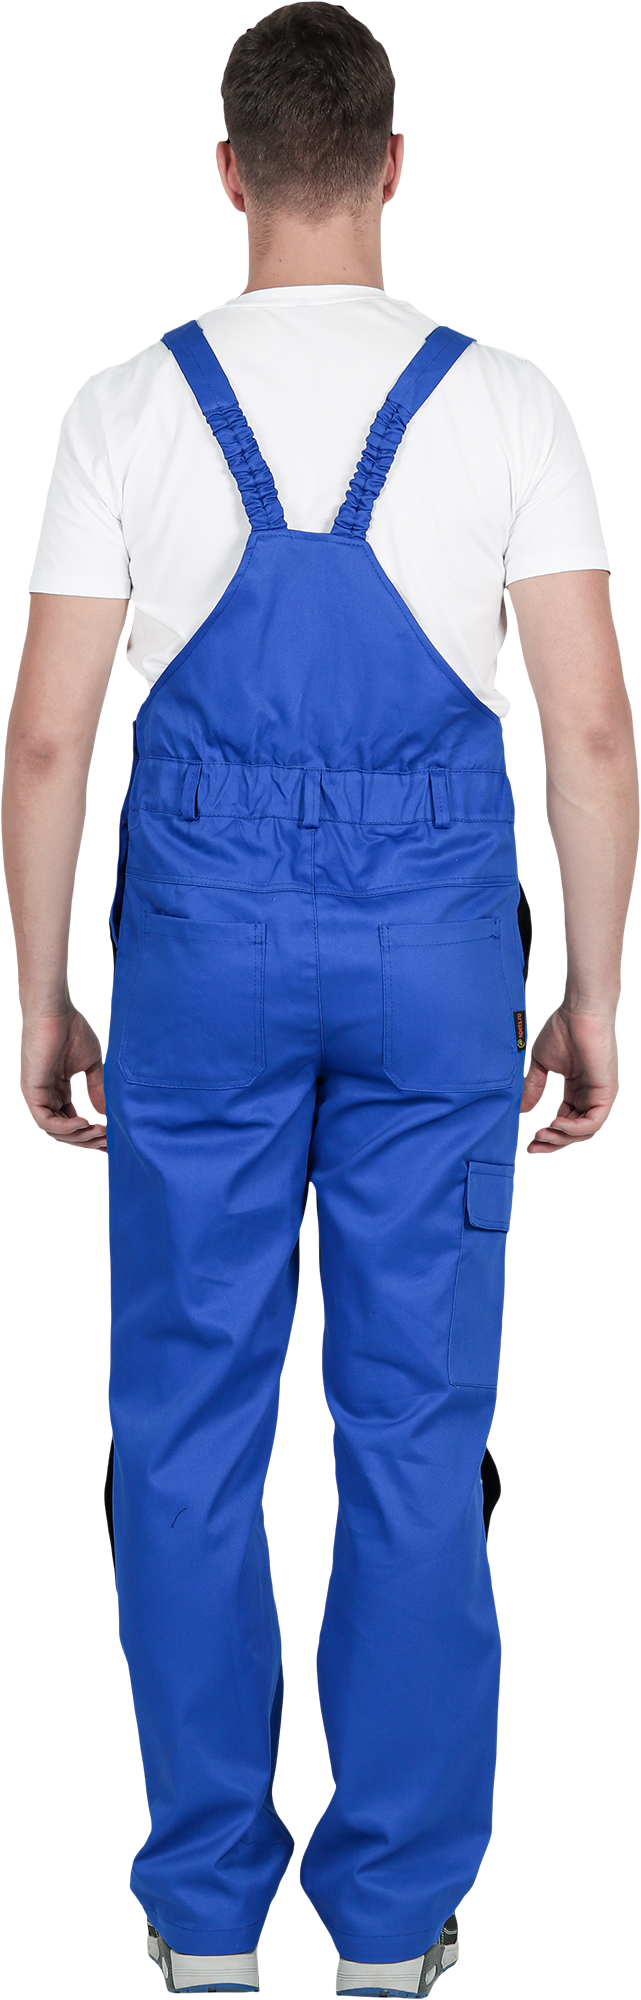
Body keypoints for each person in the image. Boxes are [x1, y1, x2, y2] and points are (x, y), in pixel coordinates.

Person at [3, 6, 637, 1998]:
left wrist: (43, 991)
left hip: (195, 962)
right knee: (412, 1428)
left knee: (183, 1424)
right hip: (437, 962)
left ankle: (203, 1912)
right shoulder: (504, 408)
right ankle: (384, 1918)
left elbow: (47, 740)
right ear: (389, 162)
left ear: (226, 171)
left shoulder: (127, 409)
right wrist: (593, 991)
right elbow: (589, 731)